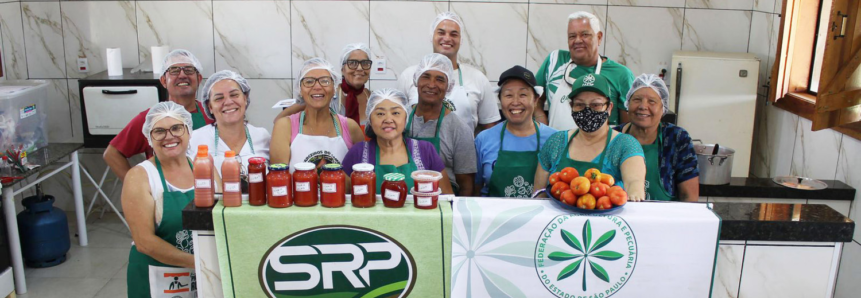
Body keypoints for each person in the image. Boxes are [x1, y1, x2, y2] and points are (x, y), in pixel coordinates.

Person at [122, 102, 196, 298]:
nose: (169, 136)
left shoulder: (204, 168)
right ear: (149, 138)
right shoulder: (140, 176)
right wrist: (199, 262)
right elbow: (144, 242)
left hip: (200, 277)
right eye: (159, 131)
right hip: (156, 278)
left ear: (189, 130)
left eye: (176, 128)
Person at [104, 49, 214, 181]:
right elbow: (112, 154)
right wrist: (136, 185)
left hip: (208, 192)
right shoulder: (150, 118)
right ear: (163, 81)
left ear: (199, 78)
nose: (182, 75)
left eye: (189, 70)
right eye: (174, 71)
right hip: (165, 196)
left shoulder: (212, 113)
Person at [534, 73, 647, 202]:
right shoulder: (556, 142)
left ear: (609, 108)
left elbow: (634, 183)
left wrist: (635, 195)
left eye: (596, 105)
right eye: (580, 105)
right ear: (571, 108)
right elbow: (539, 194)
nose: (587, 111)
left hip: (608, 220)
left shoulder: (625, 145)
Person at [397, 11, 501, 133]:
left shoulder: (478, 79)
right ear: (432, 36)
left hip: (462, 150)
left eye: (454, 34)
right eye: (441, 32)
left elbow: (491, 131)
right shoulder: (409, 75)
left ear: (460, 40)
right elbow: (395, 120)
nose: (447, 38)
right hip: (415, 150)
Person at [533, 11, 634, 130]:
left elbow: (628, 127)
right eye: (572, 36)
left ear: (599, 37)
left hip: (602, 148)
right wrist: (541, 120)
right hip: (557, 145)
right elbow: (533, 98)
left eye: (585, 35)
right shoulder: (555, 61)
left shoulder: (621, 74)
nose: (578, 40)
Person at [342, 88, 454, 194]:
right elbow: (342, 198)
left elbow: (447, 198)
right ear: (370, 119)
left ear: (406, 118)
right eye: (380, 114)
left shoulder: (426, 150)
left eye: (395, 113)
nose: (388, 120)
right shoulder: (358, 153)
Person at [474, 66, 557, 197]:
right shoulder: (484, 139)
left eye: (523, 94)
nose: (516, 102)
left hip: (539, 216)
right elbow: (475, 188)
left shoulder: (554, 139)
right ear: (500, 100)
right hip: (493, 216)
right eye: (508, 95)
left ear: (535, 99)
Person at [614, 74, 699, 201]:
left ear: (662, 108)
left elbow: (689, 197)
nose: (643, 106)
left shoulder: (677, 138)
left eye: (652, 101)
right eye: (637, 99)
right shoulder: (614, 137)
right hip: (620, 217)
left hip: (665, 218)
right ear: (627, 104)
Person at [270, 58, 364, 171]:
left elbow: (360, 177)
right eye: (309, 81)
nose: (317, 87)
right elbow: (279, 180)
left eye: (325, 81)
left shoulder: (350, 127)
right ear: (300, 89)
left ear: (334, 88)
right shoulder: (284, 127)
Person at [405, 53, 477, 196]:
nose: (431, 85)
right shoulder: (401, 119)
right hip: (404, 200)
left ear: (448, 86)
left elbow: (466, 186)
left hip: (442, 203)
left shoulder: (459, 129)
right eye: (426, 76)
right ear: (416, 80)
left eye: (440, 79)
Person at [187, 70, 271, 177]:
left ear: (245, 99)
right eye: (219, 98)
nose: (228, 102)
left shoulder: (262, 136)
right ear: (210, 107)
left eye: (234, 95)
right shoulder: (195, 139)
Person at [275, 43, 373, 127]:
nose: (360, 68)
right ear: (343, 69)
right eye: (353, 63)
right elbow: (279, 120)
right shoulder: (326, 95)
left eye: (365, 63)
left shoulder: (374, 100)